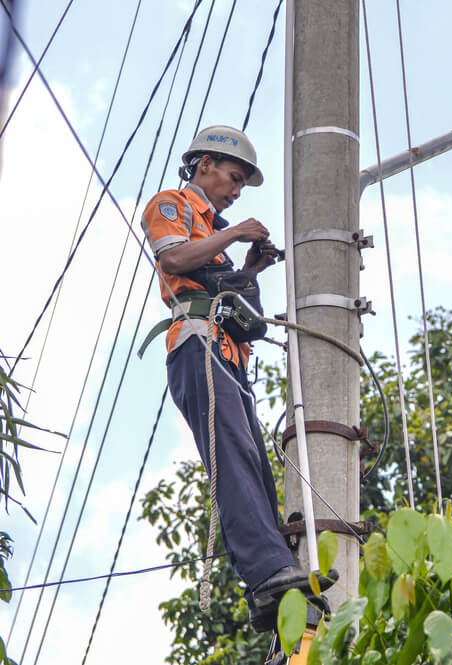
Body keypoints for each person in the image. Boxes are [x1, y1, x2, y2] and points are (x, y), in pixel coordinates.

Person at [140, 125, 306, 629]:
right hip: (198, 343)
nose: (235, 191)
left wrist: (250, 267)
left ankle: (270, 584)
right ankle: (269, 572)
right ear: (204, 164)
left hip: (228, 353)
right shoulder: (172, 204)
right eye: (233, 179)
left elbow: (220, 285)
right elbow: (173, 259)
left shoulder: (214, 234)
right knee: (233, 457)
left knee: (253, 464)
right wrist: (234, 233)